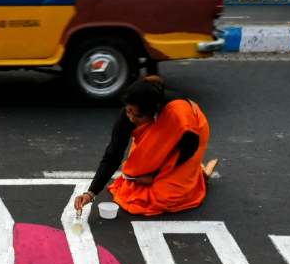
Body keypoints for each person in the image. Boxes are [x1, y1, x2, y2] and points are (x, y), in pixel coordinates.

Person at [74, 76, 217, 216]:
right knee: (136, 180)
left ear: (156, 109)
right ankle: (191, 172)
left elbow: (189, 149)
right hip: (162, 131)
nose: (132, 118)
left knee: (166, 199)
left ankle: (198, 174)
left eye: (139, 115)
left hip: (191, 134)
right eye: (129, 111)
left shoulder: (180, 117)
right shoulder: (128, 116)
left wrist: (155, 174)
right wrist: (91, 193)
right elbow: (113, 154)